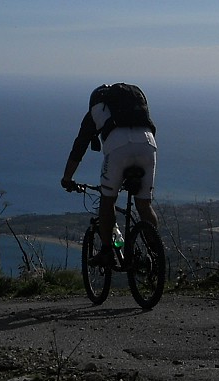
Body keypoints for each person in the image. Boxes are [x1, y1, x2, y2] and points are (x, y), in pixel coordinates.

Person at [61, 83, 159, 263]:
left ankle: (107, 252)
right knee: (144, 205)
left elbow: (79, 148)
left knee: (108, 201)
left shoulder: (95, 111)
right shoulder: (133, 107)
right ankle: (156, 254)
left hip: (118, 146)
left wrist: (67, 178)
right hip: (148, 144)